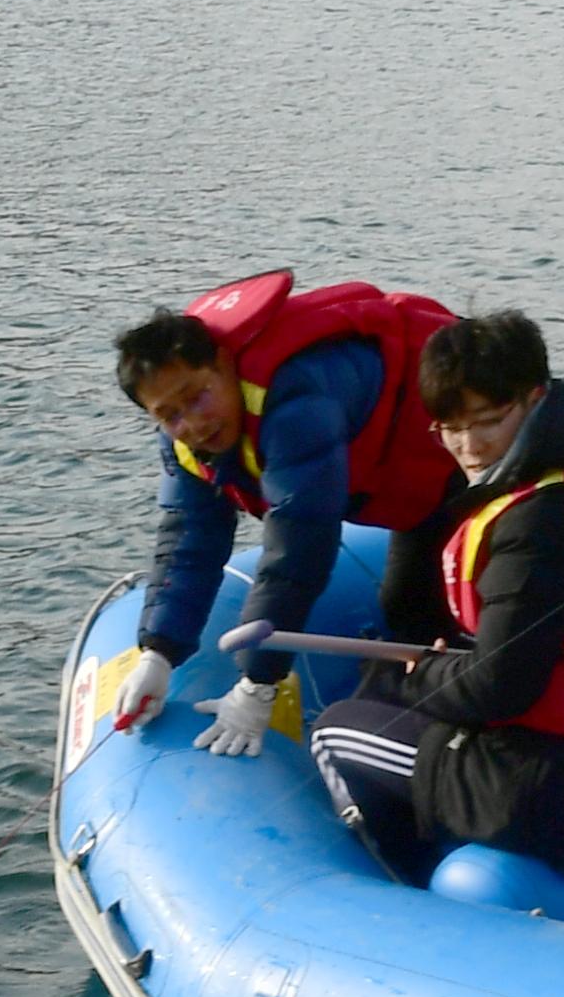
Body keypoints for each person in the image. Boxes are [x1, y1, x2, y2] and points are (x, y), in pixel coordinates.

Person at [304, 311, 564, 883]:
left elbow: (499, 686)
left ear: (534, 398)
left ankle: (410, 894)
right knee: (390, 683)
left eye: (489, 421)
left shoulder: (538, 521)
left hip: (557, 793)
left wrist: (419, 673)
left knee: (335, 729)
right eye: (450, 428)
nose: (470, 446)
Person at [112, 269, 466, 754]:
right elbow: (189, 540)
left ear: (223, 363)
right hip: (409, 490)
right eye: (169, 415)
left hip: (464, 458)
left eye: (198, 397)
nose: (192, 423)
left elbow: (299, 544)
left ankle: (476, 725)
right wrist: (159, 651)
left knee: (426, 607)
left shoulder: (295, 398)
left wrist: (259, 684)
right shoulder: (186, 446)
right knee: (410, 612)